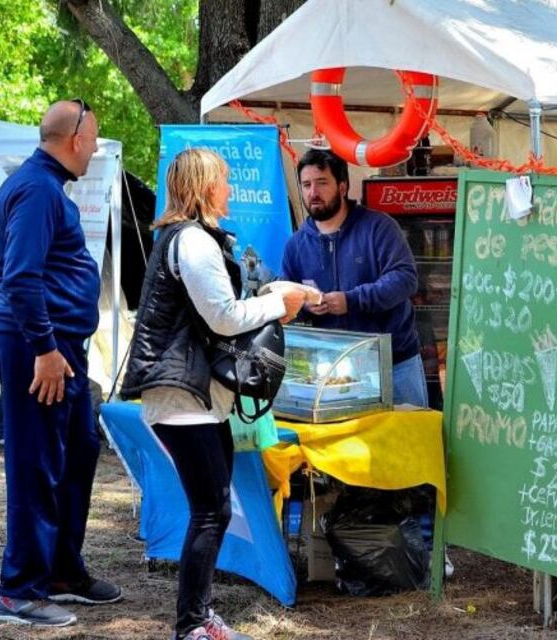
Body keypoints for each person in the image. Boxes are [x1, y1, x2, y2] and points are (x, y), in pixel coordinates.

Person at [119, 148, 304, 640]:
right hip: (182, 399)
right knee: (210, 511)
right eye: (223, 180)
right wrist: (275, 303)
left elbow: (214, 313)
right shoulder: (194, 242)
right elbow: (223, 317)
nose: (230, 189)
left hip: (197, 399)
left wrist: (265, 301)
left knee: (213, 510)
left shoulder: (190, 239)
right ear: (204, 187)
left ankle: (200, 616)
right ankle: (191, 625)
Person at [0, 99, 121, 627]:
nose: (94, 148)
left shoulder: (45, 186)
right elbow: (19, 277)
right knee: (37, 462)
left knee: (79, 450)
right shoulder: (38, 189)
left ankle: (62, 571)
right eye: (93, 139)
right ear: (76, 140)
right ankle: (18, 591)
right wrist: (44, 349)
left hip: (60, 346)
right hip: (36, 346)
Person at [281, 149, 427, 407]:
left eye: (322, 183)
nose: (313, 192)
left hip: (394, 364)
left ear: (343, 186)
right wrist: (304, 305)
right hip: (332, 369)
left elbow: (405, 278)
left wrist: (352, 300)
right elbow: (287, 298)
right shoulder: (296, 245)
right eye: (306, 185)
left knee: (407, 433)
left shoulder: (379, 227)